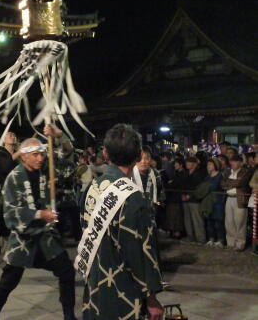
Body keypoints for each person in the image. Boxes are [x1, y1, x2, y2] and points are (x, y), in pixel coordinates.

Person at [0, 126, 77, 320]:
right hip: (23, 240)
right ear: (24, 156)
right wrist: (39, 213)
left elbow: (68, 159)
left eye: (42, 154)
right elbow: (11, 214)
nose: (40, 158)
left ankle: (69, 315)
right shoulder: (14, 178)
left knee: (67, 273)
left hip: (47, 238)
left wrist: (59, 136)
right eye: (36, 155)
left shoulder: (46, 168)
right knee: (9, 280)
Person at [78, 123, 163, 320]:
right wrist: (151, 297)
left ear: (105, 154)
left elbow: (84, 228)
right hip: (124, 289)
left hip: (96, 281)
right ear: (138, 155)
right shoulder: (134, 198)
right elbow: (142, 251)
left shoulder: (92, 187)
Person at [221, 155, 252, 251]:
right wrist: (231, 183)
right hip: (229, 198)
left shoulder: (245, 172)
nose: (232, 163)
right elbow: (222, 184)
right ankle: (230, 243)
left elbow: (240, 182)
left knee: (240, 222)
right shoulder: (228, 172)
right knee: (229, 222)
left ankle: (239, 244)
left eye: (234, 161)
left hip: (240, 198)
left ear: (240, 163)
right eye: (231, 161)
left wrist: (229, 183)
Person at [181, 157, 207, 244]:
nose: (187, 164)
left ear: (195, 164)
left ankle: (201, 238)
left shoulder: (199, 174)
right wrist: (183, 195)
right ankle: (190, 236)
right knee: (187, 220)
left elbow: (199, 188)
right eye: (187, 162)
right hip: (186, 199)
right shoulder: (185, 173)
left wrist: (190, 196)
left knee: (197, 220)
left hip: (195, 200)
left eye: (189, 162)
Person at [200, 158, 225, 248]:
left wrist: (207, 187)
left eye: (210, 164)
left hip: (217, 201)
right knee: (209, 221)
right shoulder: (207, 177)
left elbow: (214, 187)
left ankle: (220, 240)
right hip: (208, 202)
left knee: (218, 221)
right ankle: (211, 238)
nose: (209, 166)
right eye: (208, 164)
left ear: (215, 165)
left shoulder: (220, 176)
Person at [164, 158, 186, 238]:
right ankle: (173, 232)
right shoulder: (176, 174)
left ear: (181, 165)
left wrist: (169, 183)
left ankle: (177, 232)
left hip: (177, 198)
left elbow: (172, 184)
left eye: (176, 164)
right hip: (173, 197)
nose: (175, 165)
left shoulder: (181, 174)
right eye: (174, 164)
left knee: (176, 216)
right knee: (172, 215)